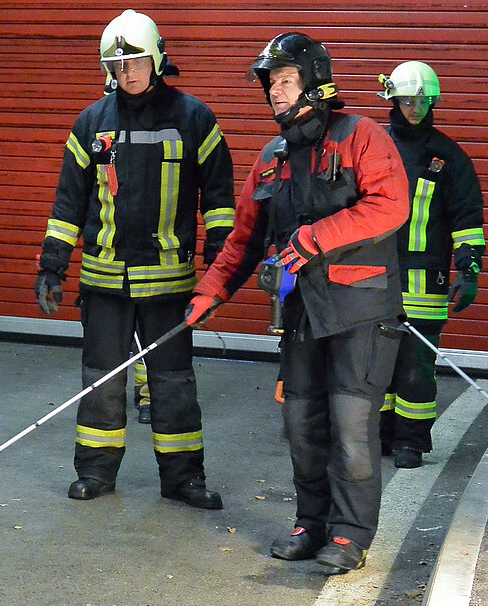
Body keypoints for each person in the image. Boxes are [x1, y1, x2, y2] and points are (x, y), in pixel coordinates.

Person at [186, 33, 409, 573]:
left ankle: (349, 535)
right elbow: (242, 239)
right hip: (303, 315)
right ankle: (311, 524)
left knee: (351, 429)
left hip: (361, 313)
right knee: (303, 425)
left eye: (286, 80)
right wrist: (209, 291)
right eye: (271, 84)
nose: (276, 92)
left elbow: (390, 204)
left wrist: (314, 238)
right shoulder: (272, 159)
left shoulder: (362, 136)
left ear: (314, 82)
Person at [35, 9, 234, 509]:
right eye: (118, 65)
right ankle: (96, 472)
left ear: (158, 60)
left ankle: (183, 480)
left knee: (173, 384)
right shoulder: (91, 123)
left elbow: (219, 201)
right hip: (104, 281)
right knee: (101, 382)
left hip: (169, 281)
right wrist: (52, 266)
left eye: (137, 62)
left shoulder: (194, 118)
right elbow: (68, 203)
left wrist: (219, 272)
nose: (128, 73)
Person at [377, 61, 486, 469]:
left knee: (415, 366)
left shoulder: (448, 156)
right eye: (407, 100)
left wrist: (469, 270)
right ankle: (379, 433)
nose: (415, 108)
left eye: (424, 101)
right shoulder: (374, 146)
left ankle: (411, 442)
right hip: (375, 274)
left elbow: (467, 217)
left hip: (425, 278)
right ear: (392, 100)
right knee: (374, 361)